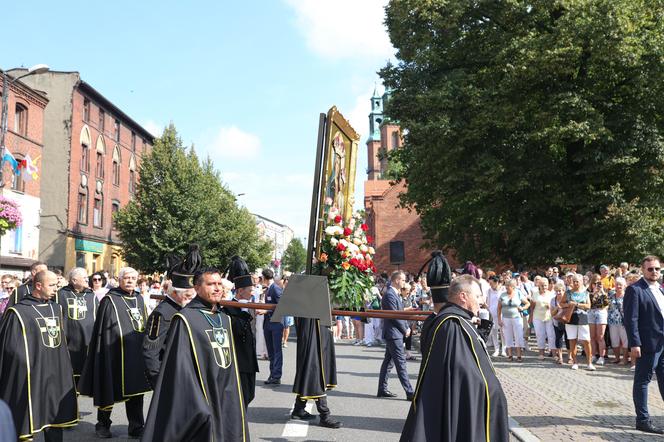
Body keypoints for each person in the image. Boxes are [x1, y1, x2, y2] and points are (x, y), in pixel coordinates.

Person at [142, 267, 248, 441]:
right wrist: (197, 403)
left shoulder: (224, 318)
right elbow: (180, 367)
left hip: (225, 391)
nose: (217, 288)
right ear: (197, 288)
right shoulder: (184, 319)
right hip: (200, 393)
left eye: (219, 284)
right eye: (211, 284)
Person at [400, 274, 509, 441]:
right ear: (463, 296)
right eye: (478, 296)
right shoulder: (451, 324)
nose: (481, 301)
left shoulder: (457, 320)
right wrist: (487, 390)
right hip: (464, 404)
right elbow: (462, 369)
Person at [0, 270, 78, 441]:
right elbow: (11, 348)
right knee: (27, 415)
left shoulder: (56, 308)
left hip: (54, 372)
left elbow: (60, 341)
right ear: (38, 285)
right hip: (32, 372)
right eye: (52, 285)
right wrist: (28, 368)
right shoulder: (18, 312)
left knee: (54, 416)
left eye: (57, 285)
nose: (56, 289)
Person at [78, 267, 151, 439]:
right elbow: (104, 330)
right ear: (119, 279)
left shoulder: (139, 298)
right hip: (114, 351)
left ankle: (136, 426)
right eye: (127, 277)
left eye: (134, 278)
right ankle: (103, 424)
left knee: (136, 390)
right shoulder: (110, 300)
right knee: (109, 387)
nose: (130, 280)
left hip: (136, 352)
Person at [143, 246, 198, 388]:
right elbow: (151, 351)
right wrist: (157, 381)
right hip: (168, 374)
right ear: (174, 293)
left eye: (192, 296)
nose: (190, 299)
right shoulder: (161, 314)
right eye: (187, 296)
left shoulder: (188, 308)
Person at [624, 255, 664, 434]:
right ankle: (642, 420)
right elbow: (631, 319)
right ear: (643, 270)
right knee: (642, 381)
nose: (654, 272)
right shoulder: (635, 290)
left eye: (657, 269)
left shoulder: (661, 289)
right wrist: (635, 343)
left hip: (662, 344)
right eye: (650, 269)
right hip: (647, 344)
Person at [223, 255, 259, 407]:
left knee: (249, 395)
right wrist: (244, 312)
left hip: (249, 358)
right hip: (238, 359)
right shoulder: (228, 307)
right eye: (249, 290)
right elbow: (238, 330)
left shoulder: (248, 305)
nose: (252, 293)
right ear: (240, 291)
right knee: (241, 398)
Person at [377, 270, 415, 400]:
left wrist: (406, 327)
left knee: (388, 363)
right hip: (394, 334)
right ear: (397, 280)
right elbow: (395, 315)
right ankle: (410, 392)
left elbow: (399, 313)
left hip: (394, 333)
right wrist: (405, 329)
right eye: (403, 280)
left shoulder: (394, 293)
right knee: (401, 363)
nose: (404, 282)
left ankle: (382, 389)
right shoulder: (390, 294)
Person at [57, 267, 99, 380]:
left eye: (87, 277)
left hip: (87, 343)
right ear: (74, 280)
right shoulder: (61, 295)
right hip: (68, 343)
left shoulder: (92, 295)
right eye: (84, 278)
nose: (87, 280)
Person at [561, 273, 594, 371]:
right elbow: (561, 304)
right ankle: (575, 362)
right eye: (574, 281)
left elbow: (588, 306)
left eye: (577, 281)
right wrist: (568, 304)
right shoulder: (568, 293)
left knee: (587, 341)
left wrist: (577, 304)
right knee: (572, 340)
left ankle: (589, 362)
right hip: (570, 318)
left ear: (582, 282)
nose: (575, 283)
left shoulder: (585, 293)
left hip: (583, 318)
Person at [497, 279, 529, 362]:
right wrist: (499, 319)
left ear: (513, 287)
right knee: (508, 336)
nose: (506, 287)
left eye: (508, 286)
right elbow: (499, 308)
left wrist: (522, 308)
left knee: (518, 336)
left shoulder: (518, 293)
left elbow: (527, 303)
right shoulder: (502, 295)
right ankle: (510, 355)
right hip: (506, 318)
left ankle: (519, 355)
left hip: (517, 318)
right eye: (506, 285)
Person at [263, 268, 285, 385]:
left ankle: (276, 375)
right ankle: (272, 374)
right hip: (268, 322)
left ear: (264, 278)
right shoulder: (268, 289)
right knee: (271, 351)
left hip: (275, 322)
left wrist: (266, 311)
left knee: (276, 351)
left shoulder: (275, 288)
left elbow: (282, 305)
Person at [588, 274, 610, 365]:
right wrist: (594, 292)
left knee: (600, 336)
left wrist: (602, 292)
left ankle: (602, 356)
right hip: (591, 312)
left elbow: (607, 303)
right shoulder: (589, 291)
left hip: (601, 312)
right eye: (595, 283)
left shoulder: (604, 291)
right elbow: (589, 303)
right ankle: (593, 355)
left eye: (598, 283)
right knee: (592, 336)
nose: (597, 284)